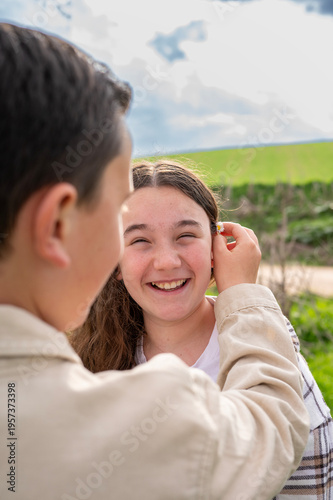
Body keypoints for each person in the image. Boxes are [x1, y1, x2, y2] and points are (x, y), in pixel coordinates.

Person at [0, 22, 309, 500]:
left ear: (213, 240)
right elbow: (270, 427)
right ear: (57, 225)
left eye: (185, 234)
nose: (165, 260)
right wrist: (245, 295)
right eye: (123, 223)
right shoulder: (137, 410)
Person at [72, 160, 333, 499]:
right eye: (139, 241)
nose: (166, 261)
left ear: (215, 248)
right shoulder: (91, 360)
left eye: (185, 236)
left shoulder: (266, 337)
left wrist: (240, 292)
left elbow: (312, 476)